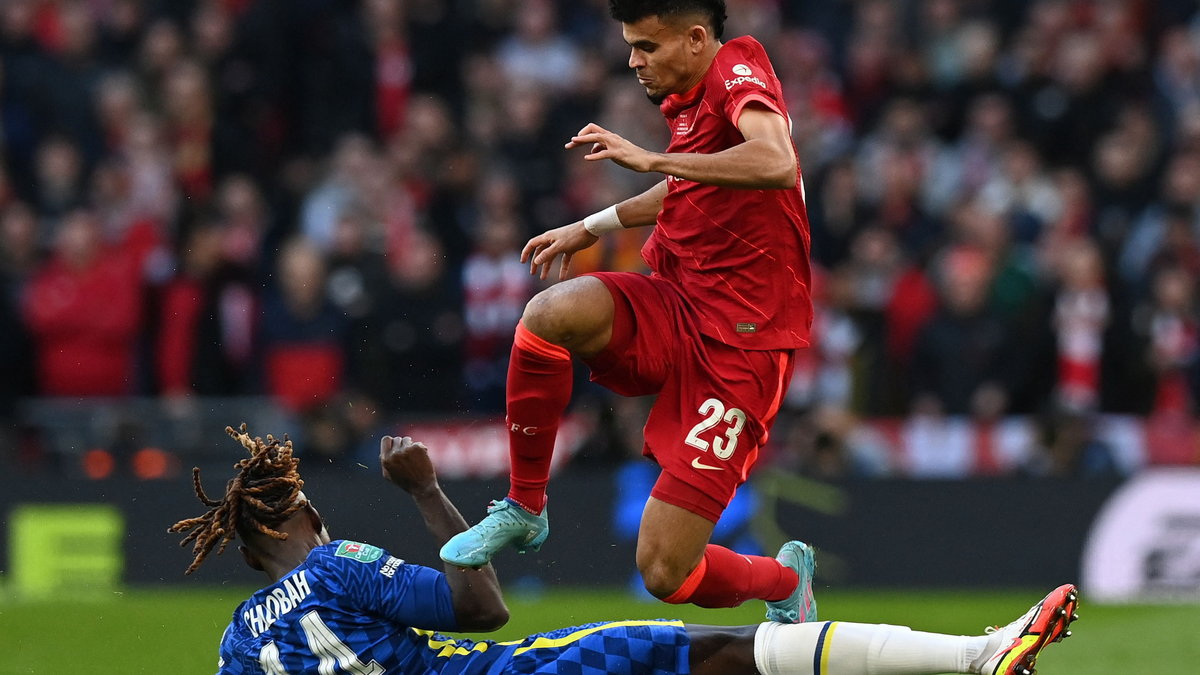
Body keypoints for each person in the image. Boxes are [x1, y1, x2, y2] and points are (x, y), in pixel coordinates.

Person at [440, 0, 819, 620]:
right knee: (549, 313)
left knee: (664, 571)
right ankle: (525, 507)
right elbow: (689, 186)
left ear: (697, 39)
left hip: (743, 349)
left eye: (647, 46)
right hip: (678, 303)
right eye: (630, 45)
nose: (633, 61)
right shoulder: (693, 104)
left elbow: (776, 163)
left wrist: (651, 157)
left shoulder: (737, 67)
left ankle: (781, 583)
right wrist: (590, 225)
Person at [171, 428, 1078, 674]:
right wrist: (423, 490)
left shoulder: (234, 648)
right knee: (716, 650)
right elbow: (483, 606)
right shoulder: (334, 568)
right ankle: (978, 654)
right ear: (283, 524)